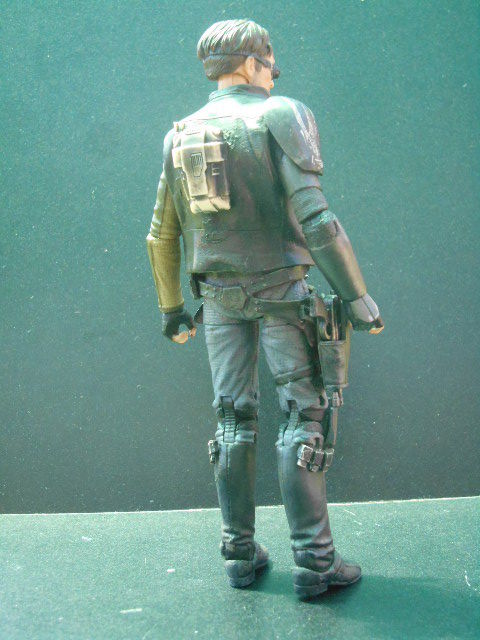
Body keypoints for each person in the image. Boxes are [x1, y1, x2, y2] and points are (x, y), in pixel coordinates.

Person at [146, 18, 384, 598]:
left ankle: (239, 553)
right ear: (254, 62)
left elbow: (161, 234)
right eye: (270, 61)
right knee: (303, 415)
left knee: (232, 419)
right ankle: (315, 562)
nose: (274, 73)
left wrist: (172, 308)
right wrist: (356, 296)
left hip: (217, 298)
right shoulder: (281, 114)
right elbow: (315, 217)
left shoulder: (180, 133)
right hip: (281, 292)